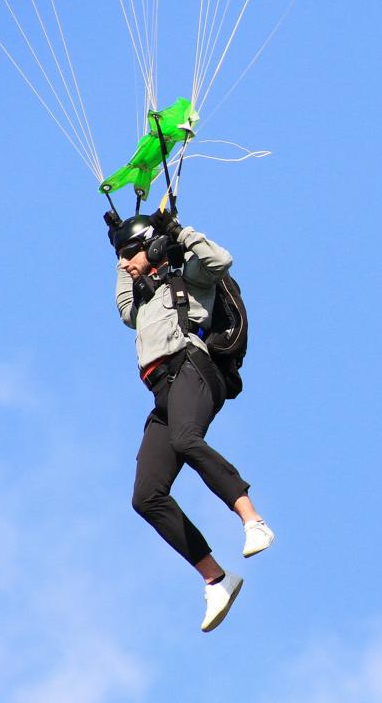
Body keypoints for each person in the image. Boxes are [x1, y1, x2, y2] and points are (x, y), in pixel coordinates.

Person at [110, 209, 275, 632]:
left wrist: (178, 231)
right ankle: (216, 580)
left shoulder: (189, 276)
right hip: (162, 391)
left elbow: (221, 260)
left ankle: (253, 521)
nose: (125, 265)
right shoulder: (142, 298)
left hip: (193, 369)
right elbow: (125, 308)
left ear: (150, 248)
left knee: (185, 438)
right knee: (146, 496)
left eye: (129, 255)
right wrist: (118, 244)